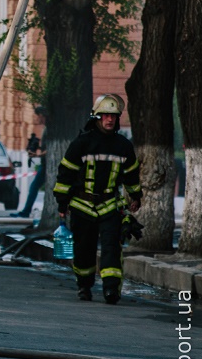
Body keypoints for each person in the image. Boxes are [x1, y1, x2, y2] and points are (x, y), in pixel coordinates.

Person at [52, 94, 142, 304]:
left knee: (112, 247)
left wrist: (135, 196)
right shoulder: (81, 143)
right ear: (97, 117)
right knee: (84, 248)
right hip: (82, 205)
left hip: (110, 204)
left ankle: (111, 289)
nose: (110, 120)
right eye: (105, 116)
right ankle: (84, 286)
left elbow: (131, 175)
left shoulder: (123, 146)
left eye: (113, 116)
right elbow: (65, 174)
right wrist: (62, 203)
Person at [14, 130, 47, 217]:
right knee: (34, 187)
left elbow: (51, 149)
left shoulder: (51, 130)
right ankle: (26, 211)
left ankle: (26, 211)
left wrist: (37, 155)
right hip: (44, 164)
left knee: (34, 187)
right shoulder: (45, 129)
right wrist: (33, 147)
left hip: (47, 165)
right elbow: (45, 148)